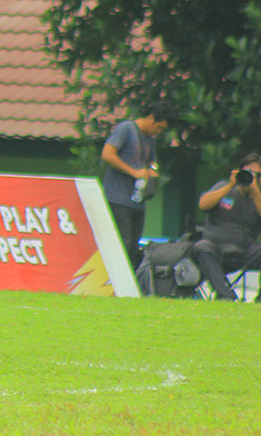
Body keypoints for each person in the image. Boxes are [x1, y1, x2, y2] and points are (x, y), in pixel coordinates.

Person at [101, 102, 177, 271]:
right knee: (123, 244)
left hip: (137, 201)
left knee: (134, 247)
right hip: (118, 199)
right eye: (159, 127)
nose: (159, 132)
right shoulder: (126, 129)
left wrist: (152, 173)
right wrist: (133, 172)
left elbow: (151, 164)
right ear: (151, 118)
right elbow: (107, 154)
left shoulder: (149, 140)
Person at [192, 153, 261, 302]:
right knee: (202, 247)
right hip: (216, 248)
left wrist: (255, 191)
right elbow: (203, 204)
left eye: (257, 174)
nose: (251, 177)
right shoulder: (223, 186)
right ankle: (225, 296)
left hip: (245, 251)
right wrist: (231, 185)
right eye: (248, 172)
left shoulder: (258, 197)